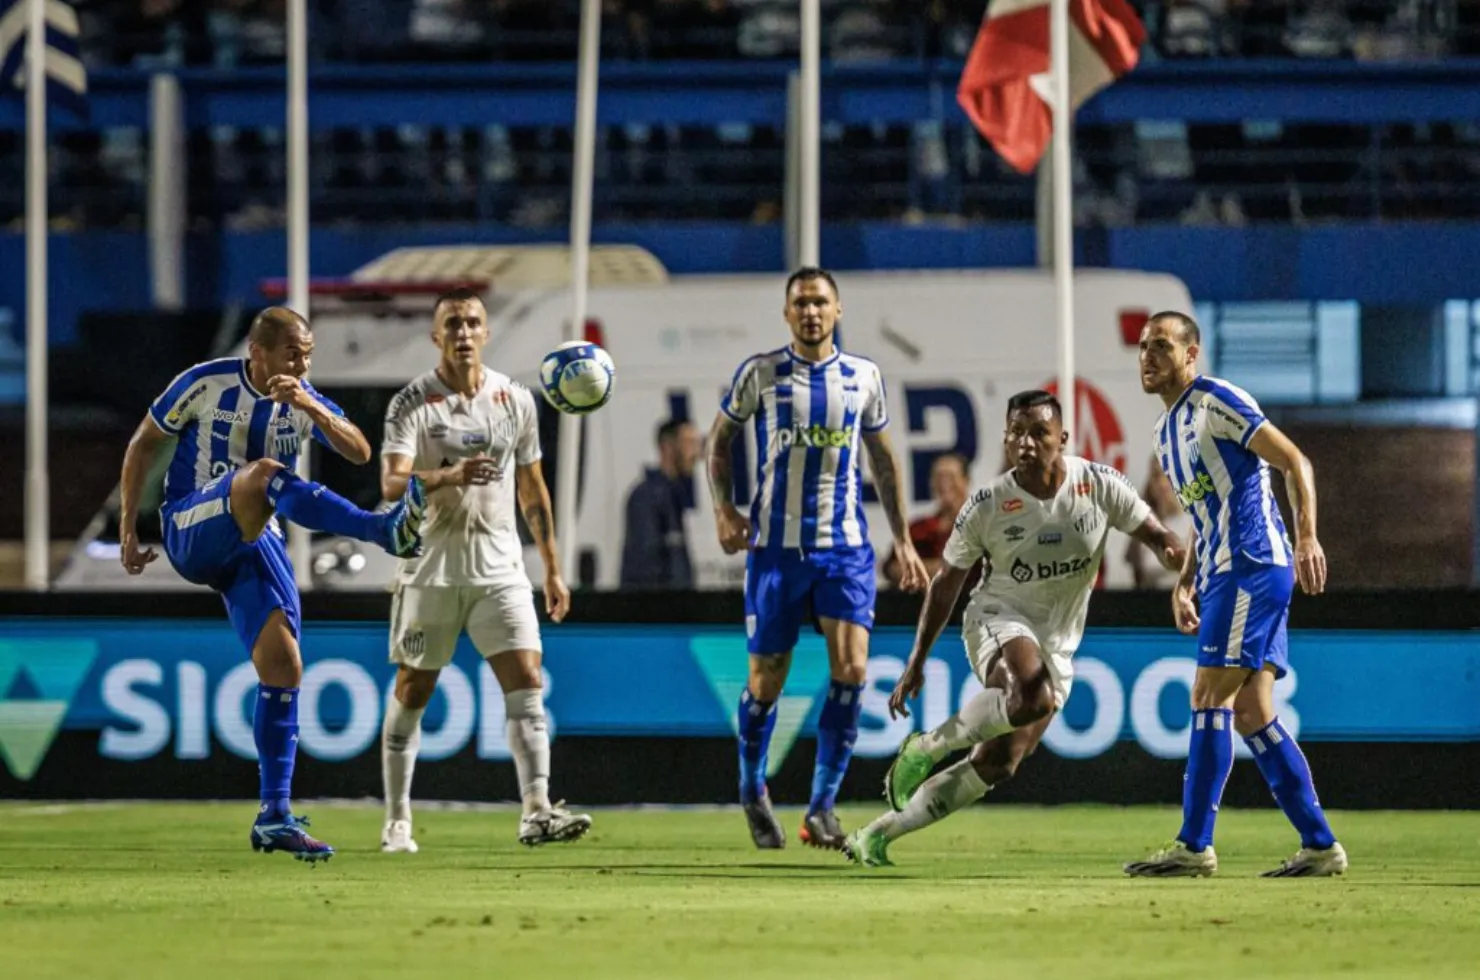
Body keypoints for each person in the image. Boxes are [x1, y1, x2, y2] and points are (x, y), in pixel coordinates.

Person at [118, 306, 427, 863]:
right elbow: (143, 443)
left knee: (284, 666)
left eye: (308, 353)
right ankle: (382, 529)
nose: (303, 363)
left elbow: (358, 449)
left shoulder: (302, 396)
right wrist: (126, 529)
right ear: (258, 352)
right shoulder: (205, 382)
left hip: (253, 541)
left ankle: (274, 815)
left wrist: (311, 404)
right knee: (263, 474)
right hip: (193, 524)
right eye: (293, 353)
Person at [843, 390, 1185, 866]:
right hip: (995, 616)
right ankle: (927, 747)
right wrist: (917, 661)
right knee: (1030, 694)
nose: (1026, 442)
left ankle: (878, 834)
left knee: (999, 763)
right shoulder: (987, 503)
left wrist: (1181, 566)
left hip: (1058, 644)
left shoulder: (1099, 484)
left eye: (1039, 432)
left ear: (1061, 438)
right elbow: (945, 584)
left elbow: (1158, 536)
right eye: (1017, 433)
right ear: (1005, 440)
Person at [707, 266, 929, 851]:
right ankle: (753, 787)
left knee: (852, 671)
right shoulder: (761, 373)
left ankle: (822, 808)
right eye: (801, 303)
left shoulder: (863, 377)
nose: (811, 312)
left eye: (820, 303)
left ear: (838, 310)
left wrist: (902, 538)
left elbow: (883, 459)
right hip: (775, 552)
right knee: (767, 682)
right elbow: (718, 441)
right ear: (787, 313)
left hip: (845, 548)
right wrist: (724, 510)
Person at [1124, 310, 1347, 878]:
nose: (1149, 357)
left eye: (1163, 347)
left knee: (1207, 696)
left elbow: (1294, 460)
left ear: (1192, 355)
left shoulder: (1216, 400)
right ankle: (1320, 845)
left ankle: (1194, 845)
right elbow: (1206, 515)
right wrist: (1185, 579)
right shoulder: (1164, 431)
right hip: (1226, 568)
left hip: (1251, 564)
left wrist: (1308, 536)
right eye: (1144, 347)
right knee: (1251, 710)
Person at [377, 286, 591, 852]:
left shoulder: (516, 400)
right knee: (413, 690)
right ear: (436, 336)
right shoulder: (412, 404)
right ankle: (398, 818)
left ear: (486, 332)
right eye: (453, 324)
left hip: (500, 569)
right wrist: (446, 476)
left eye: (472, 322)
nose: (464, 333)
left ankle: (537, 809)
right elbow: (391, 484)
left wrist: (551, 567)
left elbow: (532, 487)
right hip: (431, 568)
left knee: (527, 683)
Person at [620, 418, 701, 589]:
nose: (695, 453)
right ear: (668, 447)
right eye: (689, 444)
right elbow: (644, 567)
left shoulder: (673, 495)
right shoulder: (647, 497)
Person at [881, 453, 973, 588]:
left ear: (966, 481)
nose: (944, 483)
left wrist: (917, 568)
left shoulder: (980, 525)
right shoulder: (919, 528)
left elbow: (970, 570)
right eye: (938, 477)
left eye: (951, 477)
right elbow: (891, 567)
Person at [1124, 455, 1195, 589]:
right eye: (1156, 476)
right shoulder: (1143, 526)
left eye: (1168, 476)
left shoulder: (1194, 523)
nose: (1162, 484)